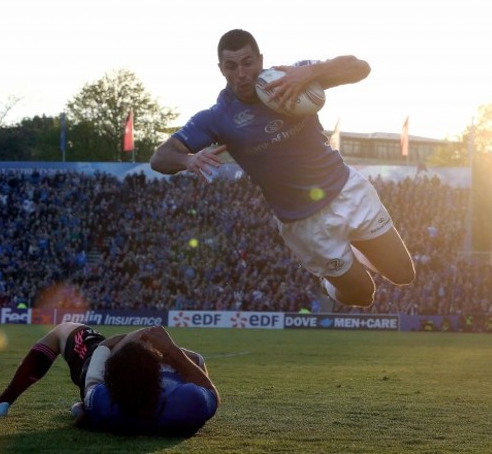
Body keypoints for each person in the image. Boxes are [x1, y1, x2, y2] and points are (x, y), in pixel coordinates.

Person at [150, 29, 415, 307]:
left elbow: (360, 68)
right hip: (304, 225)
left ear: (260, 59)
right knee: (362, 295)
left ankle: (357, 252)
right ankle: (330, 283)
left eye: (248, 62)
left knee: (403, 274)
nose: (241, 72)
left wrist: (312, 72)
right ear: (221, 70)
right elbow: (160, 157)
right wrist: (188, 160)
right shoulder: (219, 117)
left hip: (348, 191)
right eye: (231, 66)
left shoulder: (294, 77)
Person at [0, 322, 219, 437]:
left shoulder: (103, 402)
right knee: (195, 358)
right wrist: (172, 351)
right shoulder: (186, 404)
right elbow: (206, 383)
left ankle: (3, 402)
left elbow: (103, 353)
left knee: (62, 330)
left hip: (101, 366)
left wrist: (137, 335)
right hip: (129, 379)